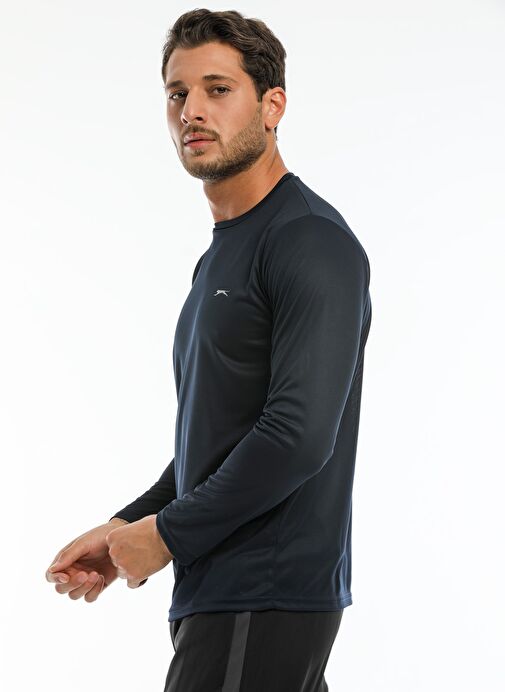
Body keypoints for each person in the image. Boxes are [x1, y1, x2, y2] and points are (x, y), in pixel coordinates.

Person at [45, 8, 372, 691]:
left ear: (272, 105)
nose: (191, 110)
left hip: (264, 591)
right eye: (177, 93)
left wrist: (167, 535)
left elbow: (296, 437)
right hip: (226, 592)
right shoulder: (225, 253)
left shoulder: (309, 241)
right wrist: (128, 525)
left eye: (218, 89)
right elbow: (220, 437)